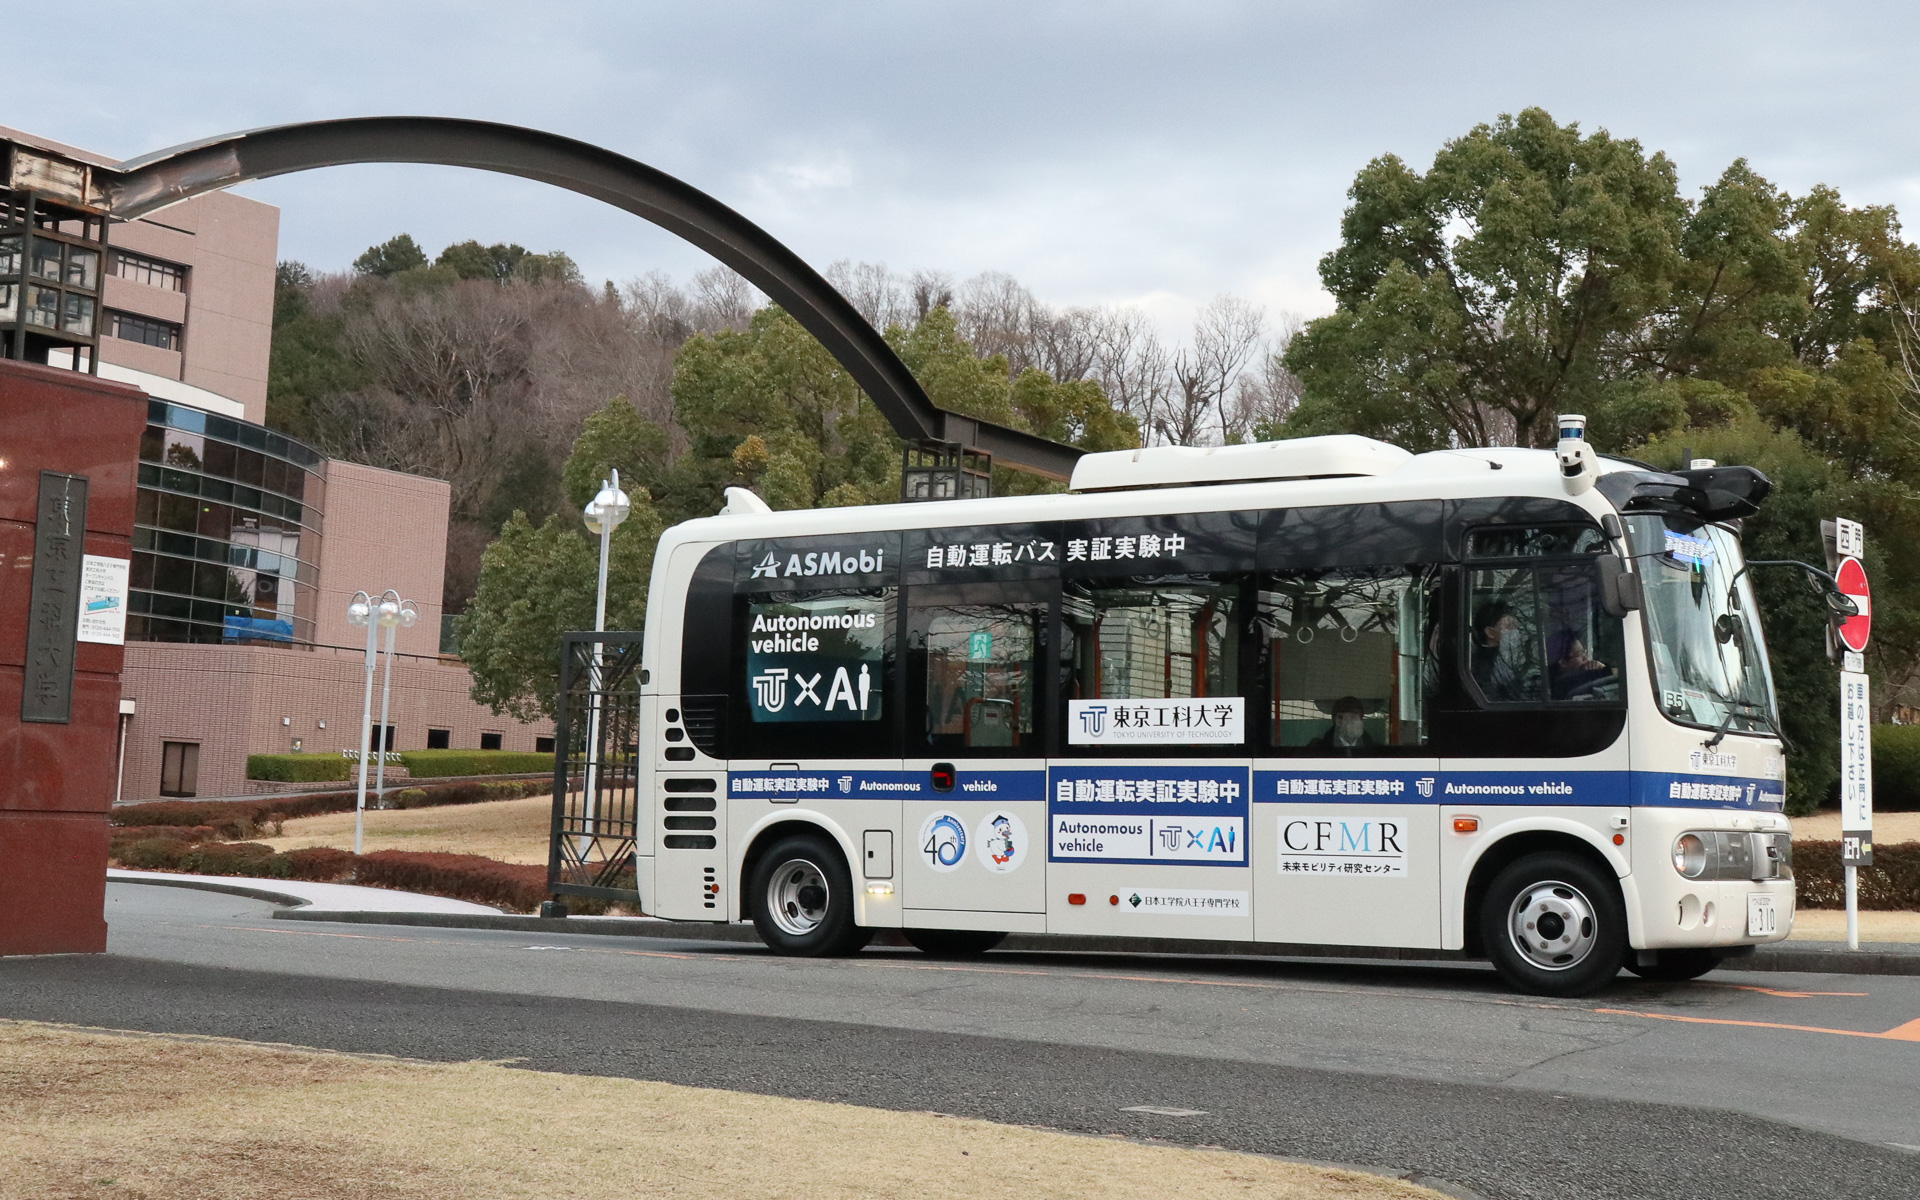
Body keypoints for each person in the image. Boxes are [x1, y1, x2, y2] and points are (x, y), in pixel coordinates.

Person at [1470, 601, 1530, 701]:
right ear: (1490, 632)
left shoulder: (1510, 656)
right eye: (1509, 627)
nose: (1515, 631)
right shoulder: (1482, 665)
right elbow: (1492, 699)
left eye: (1516, 626)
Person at [1550, 634, 1614, 699]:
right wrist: (1604, 671)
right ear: (1563, 662)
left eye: (1584, 652)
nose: (1586, 658)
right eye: (1579, 653)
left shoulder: (1580, 676)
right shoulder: (1561, 687)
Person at [1308, 695, 1377, 751]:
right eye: (1352, 718)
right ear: (1338, 721)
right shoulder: (1318, 748)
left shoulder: (1374, 749)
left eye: (1359, 718)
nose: (1357, 723)